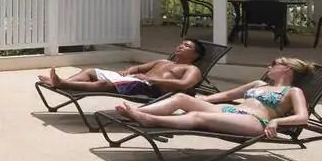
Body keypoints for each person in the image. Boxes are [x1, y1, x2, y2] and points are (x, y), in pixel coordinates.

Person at [115, 57, 312, 137]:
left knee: (197, 117)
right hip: (231, 111)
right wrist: (201, 101)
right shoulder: (258, 84)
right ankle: (137, 112)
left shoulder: (292, 92)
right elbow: (226, 95)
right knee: (182, 98)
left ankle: (151, 120)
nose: (269, 67)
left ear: (286, 68)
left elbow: (303, 117)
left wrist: (276, 122)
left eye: (274, 64)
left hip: (254, 121)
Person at [37, 38, 205, 98]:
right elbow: (138, 69)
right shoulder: (163, 62)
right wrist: (128, 71)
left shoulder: (192, 70)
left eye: (186, 46)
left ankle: (62, 84)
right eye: (181, 44)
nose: (181, 46)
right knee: (90, 71)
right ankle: (62, 82)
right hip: (134, 80)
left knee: (105, 86)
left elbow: (184, 85)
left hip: (149, 89)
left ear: (195, 54)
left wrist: (151, 79)